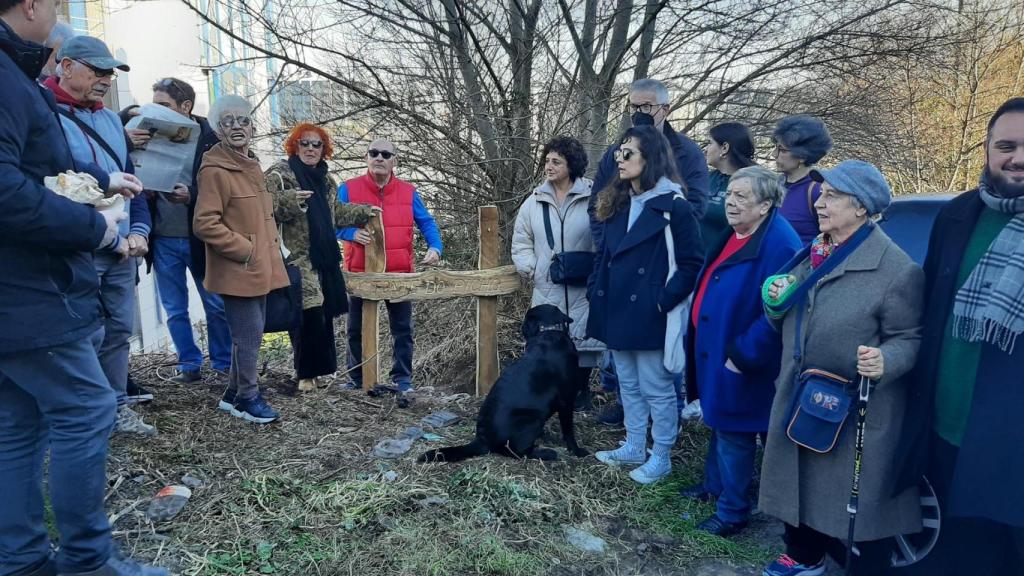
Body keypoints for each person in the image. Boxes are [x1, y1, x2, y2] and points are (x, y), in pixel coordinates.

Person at [0, 1, 168, 574]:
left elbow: (34, 170)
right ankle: (88, 562)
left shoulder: (14, 75)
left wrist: (101, 181)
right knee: (87, 407)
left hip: (23, 283)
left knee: (18, 422)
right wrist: (95, 227)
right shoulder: (7, 77)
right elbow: (7, 191)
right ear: (30, 6)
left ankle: (22, 560)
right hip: (24, 285)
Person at [758, 160, 924, 576]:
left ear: (862, 209)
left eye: (833, 196)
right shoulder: (815, 251)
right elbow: (787, 308)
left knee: (845, 497)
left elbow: (911, 338)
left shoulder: (896, 269)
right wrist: (774, 300)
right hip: (799, 392)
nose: (820, 203)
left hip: (852, 405)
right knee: (797, 481)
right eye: (822, 193)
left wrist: (887, 360)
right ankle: (803, 556)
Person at [892, 98, 1024, 576]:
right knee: (953, 557)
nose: (1018, 157)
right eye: (1006, 145)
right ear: (987, 150)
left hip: (1012, 446)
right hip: (945, 429)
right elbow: (926, 311)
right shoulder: (958, 215)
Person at [45, 34, 159, 436]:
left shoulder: (112, 120)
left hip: (123, 252)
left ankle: (116, 408)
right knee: (83, 336)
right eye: (97, 70)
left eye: (110, 72)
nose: (106, 79)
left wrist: (141, 231)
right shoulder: (43, 113)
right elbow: (54, 185)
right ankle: (85, 415)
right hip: (77, 247)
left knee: (118, 333)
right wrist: (107, 236)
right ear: (67, 65)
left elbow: (132, 182)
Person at [679, 165, 801, 537]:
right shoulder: (738, 232)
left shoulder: (779, 243)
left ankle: (732, 512)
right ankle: (714, 487)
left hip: (742, 358)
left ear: (765, 205)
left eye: (741, 196)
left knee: (735, 431)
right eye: (729, 194)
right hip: (716, 349)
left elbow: (778, 310)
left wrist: (742, 355)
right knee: (720, 420)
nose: (729, 202)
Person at [589, 78, 710, 426]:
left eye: (645, 107)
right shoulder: (619, 151)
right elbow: (599, 207)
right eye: (632, 107)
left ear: (665, 109)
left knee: (658, 372)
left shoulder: (686, 152)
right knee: (623, 367)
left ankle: (663, 438)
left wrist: (653, 243)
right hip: (620, 272)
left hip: (658, 268)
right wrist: (609, 250)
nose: (638, 114)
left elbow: (696, 208)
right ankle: (632, 430)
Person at [587, 125, 704, 485]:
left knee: (657, 386)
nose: (618, 159)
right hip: (617, 308)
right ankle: (635, 445)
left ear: (650, 159)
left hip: (651, 312)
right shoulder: (618, 201)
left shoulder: (674, 207)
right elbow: (605, 254)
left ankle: (662, 455)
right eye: (619, 152)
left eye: (628, 153)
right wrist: (596, 291)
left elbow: (691, 263)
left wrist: (662, 301)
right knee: (628, 384)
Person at [193, 95, 290, 423]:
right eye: (229, 121)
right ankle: (249, 397)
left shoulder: (250, 164)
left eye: (243, 120)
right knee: (248, 337)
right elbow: (205, 222)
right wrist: (245, 250)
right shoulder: (215, 170)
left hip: (259, 266)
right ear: (218, 129)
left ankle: (234, 394)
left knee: (250, 333)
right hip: (239, 268)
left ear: (252, 127)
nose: (238, 127)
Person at [265, 123, 376, 391]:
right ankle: (305, 375)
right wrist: (292, 201)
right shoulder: (280, 175)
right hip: (294, 257)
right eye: (305, 143)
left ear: (324, 149)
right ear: (295, 145)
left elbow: (335, 212)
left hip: (323, 259)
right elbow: (262, 208)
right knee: (307, 314)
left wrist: (364, 212)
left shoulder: (326, 179)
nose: (311, 149)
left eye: (317, 145)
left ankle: (316, 373)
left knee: (322, 314)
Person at [141, 77, 232, 385]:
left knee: (216, 305)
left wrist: (192, 195)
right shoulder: (149, 134)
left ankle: (223, 364)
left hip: (201, 237)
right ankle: (190, 364)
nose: (158, 111)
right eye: (155, 105)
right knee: (174, 308)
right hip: (163, 236)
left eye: (164, 105)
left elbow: (227, 188)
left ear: (186, 107)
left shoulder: (212, 139)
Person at [337, 138, 443, 393]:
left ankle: (402, 379)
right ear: (366, 157)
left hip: (400, 272)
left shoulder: (408, 191)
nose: (380, 158)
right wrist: (351, 234)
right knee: (355, 329)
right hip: (360, 272)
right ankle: (357, 378)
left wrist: (435, 247)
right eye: (374, 153)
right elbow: (330, 224)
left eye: (386, 154)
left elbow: (426, 222)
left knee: (402, 329)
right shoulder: (348, 189)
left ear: (395, 160)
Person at [511, 136, 595, 399]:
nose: (549, 166)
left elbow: (605, 236)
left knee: (584, 341)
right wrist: (531, 267)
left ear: (572, 165)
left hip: (583, 282)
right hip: (547, 284)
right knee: (546, 341)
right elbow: (521, 238)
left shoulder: (593, 196)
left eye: (556, 161)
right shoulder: (533, 201)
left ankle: (581, 391)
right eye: (547, 160)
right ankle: (551, 394)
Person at [771, 115, 833, 245]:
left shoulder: (818, 191)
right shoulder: (774, 185)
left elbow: (830, 240)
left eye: (781, 150)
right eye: (775, 147)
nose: (774, 154)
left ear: (802, 156)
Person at [702, 122, 757, 244]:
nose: (706, 150)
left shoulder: (752, 185)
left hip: (726, 259)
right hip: (694, 258)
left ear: (724, 148)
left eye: (710, 143)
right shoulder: (707, 178)